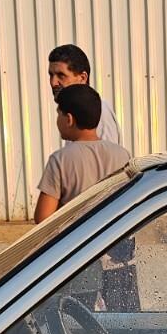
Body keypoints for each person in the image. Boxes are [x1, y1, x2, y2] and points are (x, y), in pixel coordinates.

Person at [34, 83, 131, 223]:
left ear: (69, 119)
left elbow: (42, 218)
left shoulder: (60, 160)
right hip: (115, 239)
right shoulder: (123, 155)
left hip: (78, 242)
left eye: (58, 114)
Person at [47, 43, 122, 146]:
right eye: (51, 75)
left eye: (61, 75)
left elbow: (108, 160)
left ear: (82, 78)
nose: (53, 82)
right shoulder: (73, 112)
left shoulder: (100, 112)